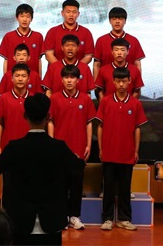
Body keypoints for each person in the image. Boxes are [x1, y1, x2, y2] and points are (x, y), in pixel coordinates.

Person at [0, 93, 81, 245]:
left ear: (25, 116)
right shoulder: (59, 147)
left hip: (20, 221)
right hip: (53, 220)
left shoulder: (14, 147)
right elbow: (78, 169)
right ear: (48, 117)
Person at [96, 67, 148, 232]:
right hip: (109, 152)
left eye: (124, 81)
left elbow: (137, 129)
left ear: (129, 82)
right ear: (113, 81)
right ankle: (107, 219)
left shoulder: (135, 103)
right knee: (108, 189)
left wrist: (136, 150)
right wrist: (101, 148)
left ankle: (124, 219)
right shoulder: (105, 101)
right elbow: (100, 126)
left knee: (125, 189)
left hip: (127, 153)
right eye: (118, 81)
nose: (121, 84)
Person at [47, 64, 97, 230]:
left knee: (76, 186)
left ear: (78, 80)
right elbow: (51, 122)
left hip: (78, 149)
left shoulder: (85, 99)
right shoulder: (54, 98)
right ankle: (61, 217)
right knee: (59, 186)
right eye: (66, 77)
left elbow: (89, 123)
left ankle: (74, 217)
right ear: (62, 80)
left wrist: (88, 144)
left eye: (72, 77)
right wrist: (52, 144)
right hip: (59, 150)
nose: (69, 80)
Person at [93, 7, 145, 80]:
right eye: (114, 19)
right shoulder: (101, 40)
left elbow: (137, 64)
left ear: (125, 21)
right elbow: (97, 64)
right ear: (110, 21)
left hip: (128, 83)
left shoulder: (133, 40)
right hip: (106, 82)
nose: (117, 21)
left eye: (120, 19)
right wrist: (96, 84)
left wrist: (137, 83)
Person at [0, 63, 33, 157]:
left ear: (28, 79)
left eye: (23, 76)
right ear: (12, 78)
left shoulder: (33, 98)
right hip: (8, 146)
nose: (20, 79)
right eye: (17, 76)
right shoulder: (3, 98)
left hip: (29, 147)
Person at [0, 3, 44, 76]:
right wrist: (5, 79)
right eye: (22, 16)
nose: (24, 19)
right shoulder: (8, 36)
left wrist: (39, 79)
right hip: (13, 79)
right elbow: (6, 60)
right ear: (17, 18)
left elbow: (39, 60)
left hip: (32, 79)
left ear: (31, 19)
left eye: (28, 16)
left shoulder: (38, 37)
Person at [43, 0, 94, 65]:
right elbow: (48, 54)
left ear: (78, 14)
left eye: (74, 12)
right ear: (62, 13)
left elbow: (88, 56)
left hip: (78, 70)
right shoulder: (52, 32)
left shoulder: (86, 32)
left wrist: (75, 69)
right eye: (68, 12)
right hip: (56, 70)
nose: (71, 15)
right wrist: (61, 68)